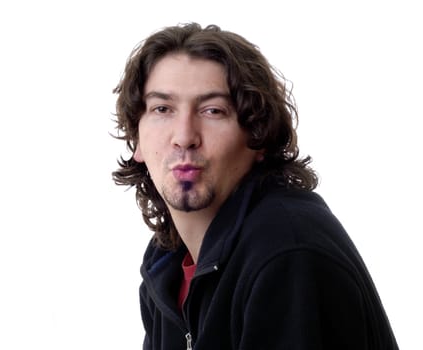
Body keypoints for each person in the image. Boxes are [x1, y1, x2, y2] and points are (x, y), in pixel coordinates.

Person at [111, 22, 398, 350]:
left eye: (213, 111)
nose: (185, 137)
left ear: (259, 135)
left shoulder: (287, 252)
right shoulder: (166, 266)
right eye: (163, 109)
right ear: (137, 140)